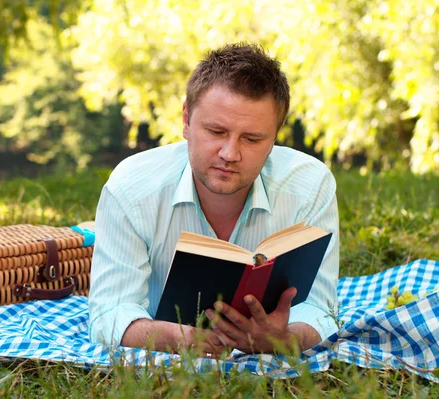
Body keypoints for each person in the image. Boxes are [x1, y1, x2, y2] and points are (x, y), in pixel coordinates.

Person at [88, 43, 339, 356]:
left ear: (275, 136)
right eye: (216, 131)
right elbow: (108, 314)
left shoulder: (310, 185)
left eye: (252, 138)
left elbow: (321, 309)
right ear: (186, 120)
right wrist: (172, 337)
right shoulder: (130, 188)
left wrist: (284, 339)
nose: (230, 154)